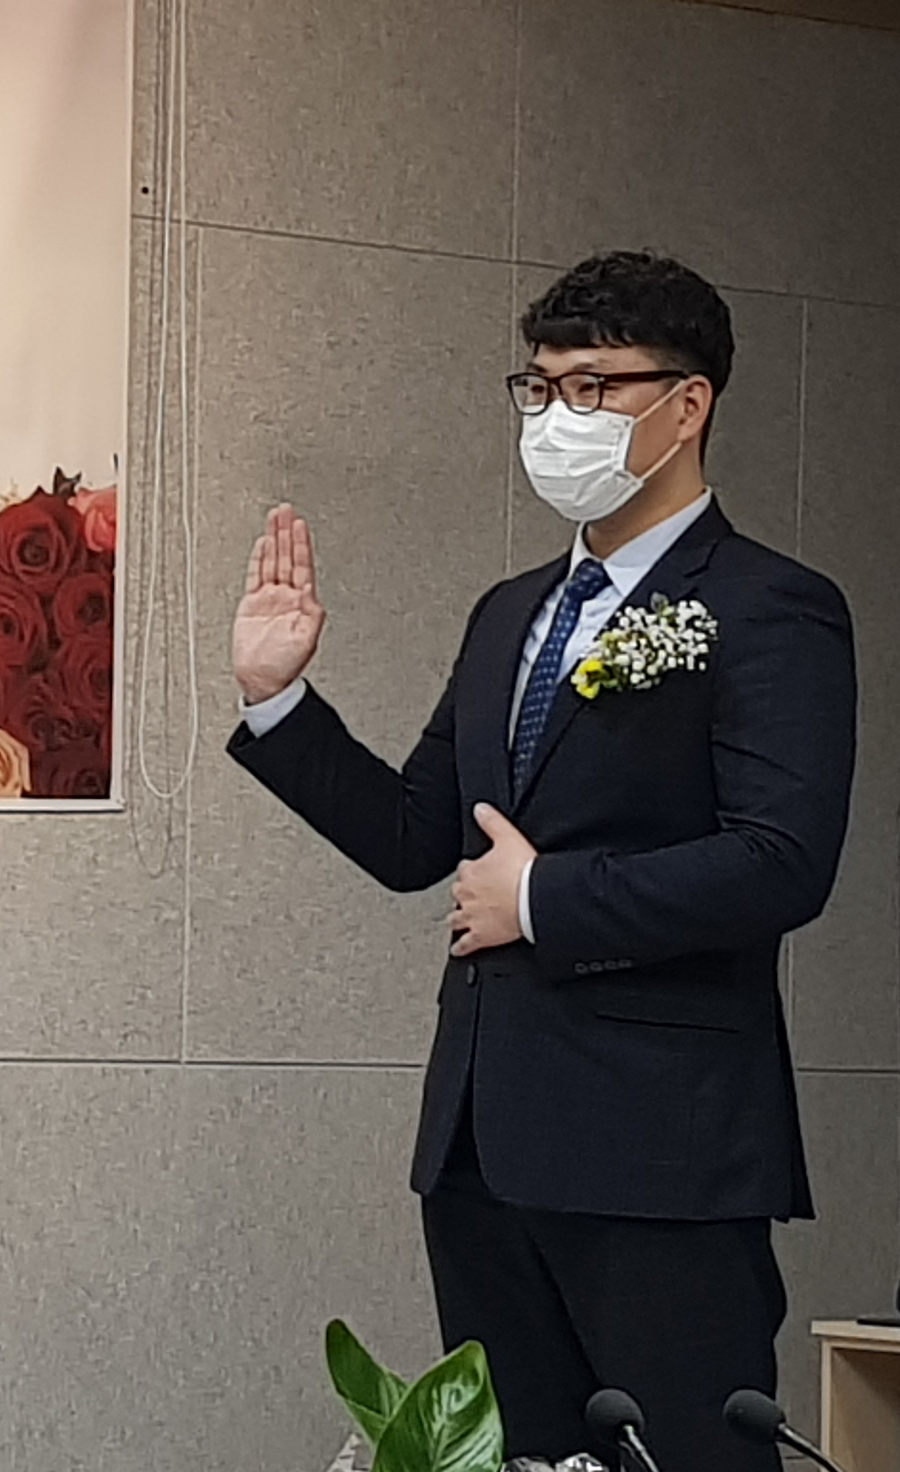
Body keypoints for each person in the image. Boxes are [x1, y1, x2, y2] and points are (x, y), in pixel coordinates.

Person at [228, 251, 854, 1470]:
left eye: (595, 387)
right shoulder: (511, 609)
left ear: (688, 402)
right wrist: (278, 700)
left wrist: (546, 896)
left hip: (661, 1149)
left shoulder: (769, 605)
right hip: (484, 1139)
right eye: (543, 386)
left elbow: (783, 861)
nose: (561, 416)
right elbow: (417, 836)